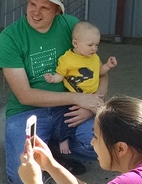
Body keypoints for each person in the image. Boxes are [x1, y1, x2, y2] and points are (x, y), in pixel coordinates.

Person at [0, 0, 106, 184]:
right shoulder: (10, 37)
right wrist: (77, 97)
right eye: (32, 4)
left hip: (69, 109)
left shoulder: (72, 27)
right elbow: (25, 95)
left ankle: (51, 148)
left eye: (45, 7)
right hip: (27, 111)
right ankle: (46, 151)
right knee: (22, 181)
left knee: (102, 145)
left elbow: (99, 72)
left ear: (57, 10)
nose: (35, 12)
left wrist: (93, 105)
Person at [44, 20, 117, 156]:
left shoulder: (94, 57)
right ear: (75, 43)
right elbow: (61, 75)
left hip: (93, 96)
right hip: (74, 98)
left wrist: (107, 65)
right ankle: (63, 140)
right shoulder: (67, 59)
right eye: (90, 45)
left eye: (96, 45)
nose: (94, 48)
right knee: (69, 120)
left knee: (104, 119)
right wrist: (53, 78)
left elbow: (99, 73)